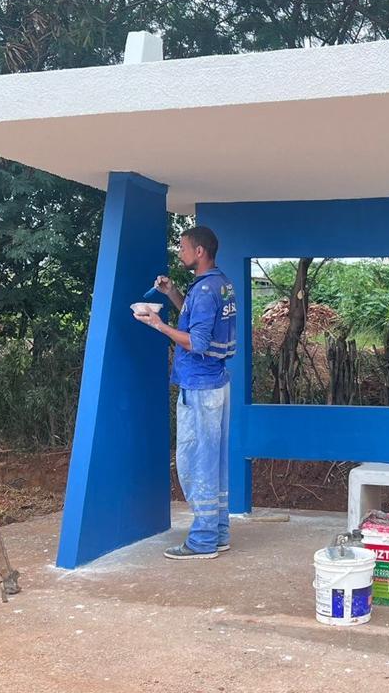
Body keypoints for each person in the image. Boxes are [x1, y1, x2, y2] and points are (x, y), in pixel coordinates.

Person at [133, 225, 238, 560]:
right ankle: (218, 532)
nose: (180, 253)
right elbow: (196, 320)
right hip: (217, 383)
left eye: (183, 247)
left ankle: (203, 540)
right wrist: (173, 294)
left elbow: (198, 342)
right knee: (215, 460)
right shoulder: (219, 285)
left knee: (197, 462)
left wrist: (158, 325)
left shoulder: (207, 291)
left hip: (201, 387)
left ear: (200, 252)